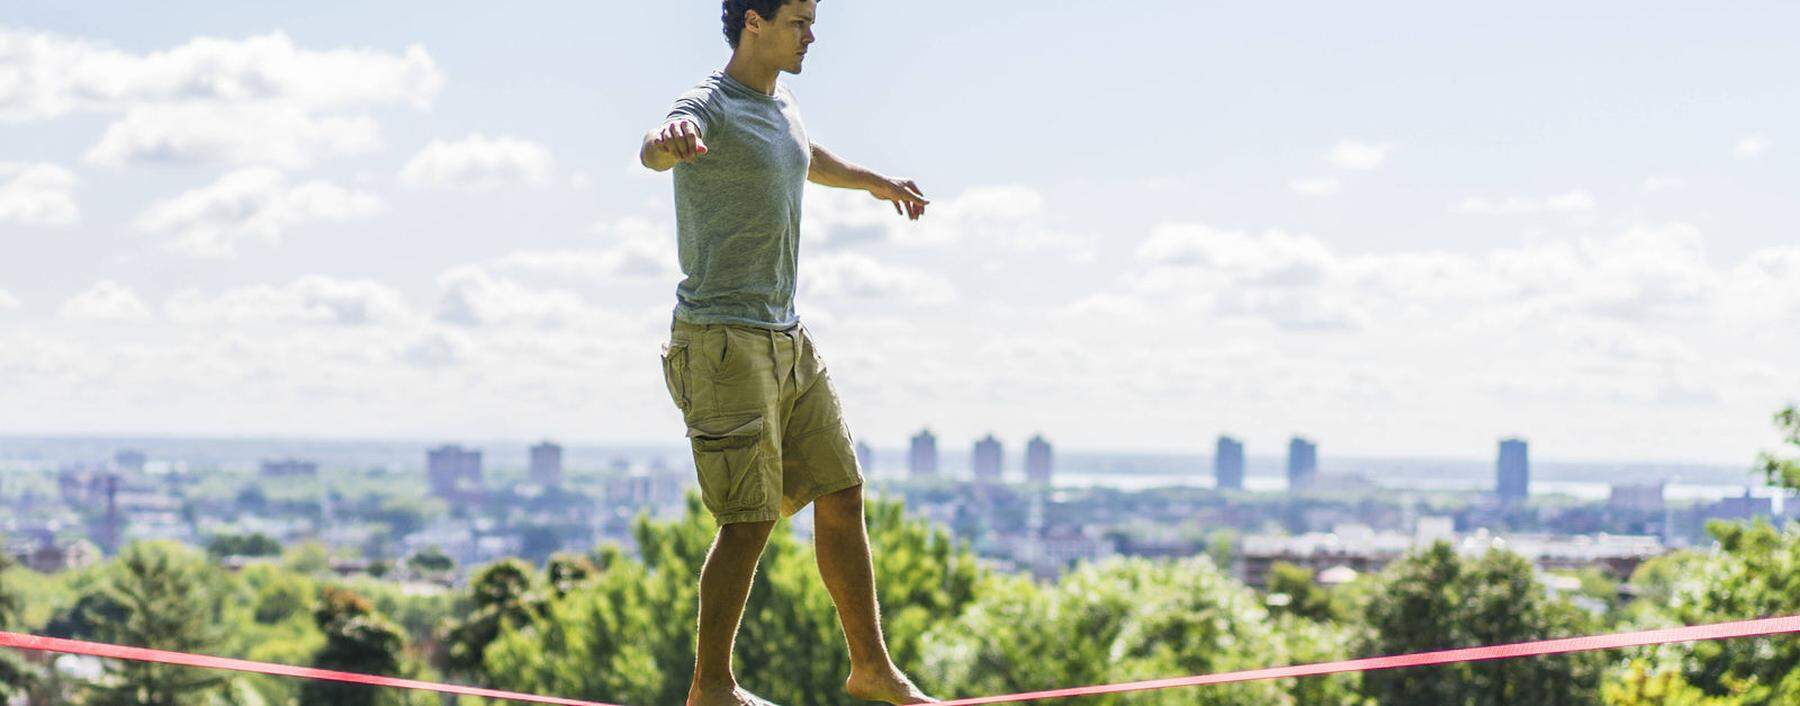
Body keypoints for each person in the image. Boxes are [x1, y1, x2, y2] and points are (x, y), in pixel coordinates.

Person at [638, 2, 936, 705]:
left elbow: (803, 156)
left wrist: (872, 180)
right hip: (721, 340)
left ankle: (871, 669)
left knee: (843, 490)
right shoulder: (708, 104)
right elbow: (656, 144)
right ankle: (712, 687)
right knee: (748, 519)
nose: (811, 33)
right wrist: (668, 141)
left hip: (785, 334)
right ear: (752, 22)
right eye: (797, 19)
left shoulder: (782, 104)